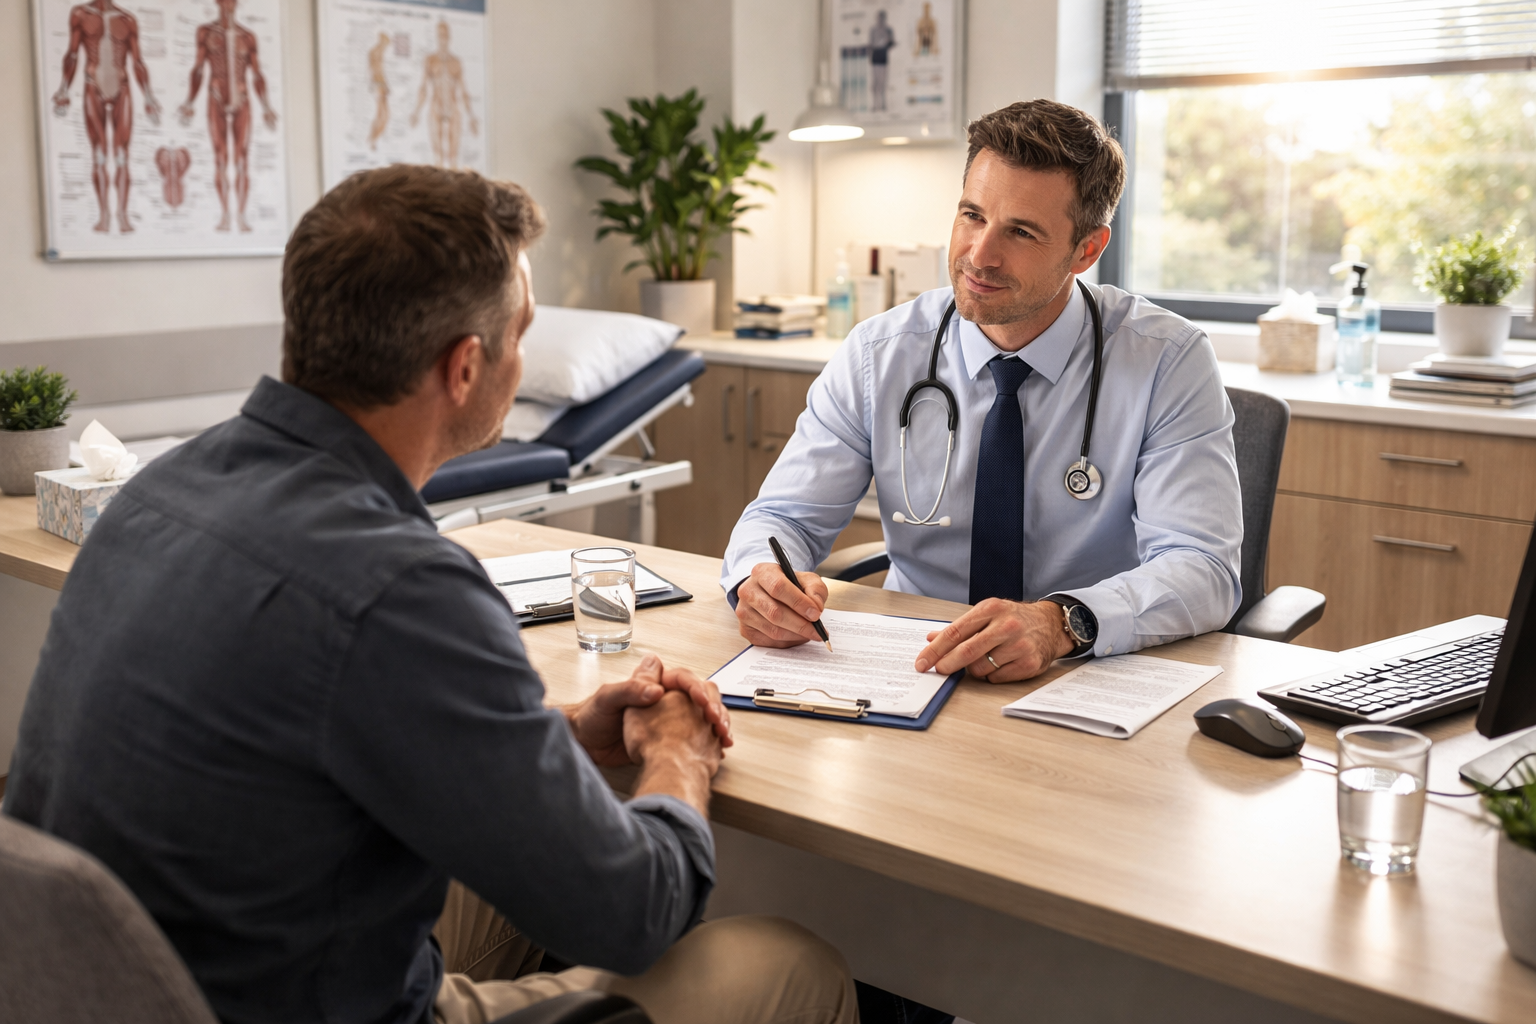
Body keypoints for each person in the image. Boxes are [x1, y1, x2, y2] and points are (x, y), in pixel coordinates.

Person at [3, 165, 857, 1024]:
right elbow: (634, 914)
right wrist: (679, 754)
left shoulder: (158, 490)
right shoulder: (399, 585)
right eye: (522, 334)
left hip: (119, 987)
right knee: (793, 965)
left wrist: (558, 733)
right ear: (466, 367)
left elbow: (302, 723)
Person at [723, 99, 1242, 685]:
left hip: (1080, 672)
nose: (979, 255)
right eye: (972, 215)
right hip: (912, 662)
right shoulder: (878, 353)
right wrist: (759, 580)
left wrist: (1062, 622)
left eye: (1020, 232)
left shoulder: (1166, 361)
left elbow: (1203, 567)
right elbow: (782, 517)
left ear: (1087, 250)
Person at [52, 0, 161, 234]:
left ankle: (122, 216)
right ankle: (103, 216)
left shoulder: (127, 19)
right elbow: (72, 54)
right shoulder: (81, 14)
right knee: (99, 155)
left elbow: (137, 62)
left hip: (122, 88)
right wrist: (63, 89)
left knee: (122, 155)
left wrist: (149, 97)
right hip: (94, 86)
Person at [177, 0, 278, 232]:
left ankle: (240, 216)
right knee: (221, 159)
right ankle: (225, 215)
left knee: (242, 159)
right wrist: (190, 101)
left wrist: (266, 106)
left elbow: (257, 74)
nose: (228, 4)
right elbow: (199, 68)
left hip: (242, 100)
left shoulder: (247, 36)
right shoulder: (206, 32)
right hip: (216, 98)